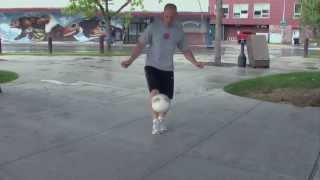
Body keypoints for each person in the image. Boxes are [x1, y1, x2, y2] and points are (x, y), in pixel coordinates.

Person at [121, 3, 205, 135]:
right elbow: (140, 44)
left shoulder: (178, 31)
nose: (169, 19)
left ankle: (161, 119)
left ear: (176, 16)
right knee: (154, 93)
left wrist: (195, 62)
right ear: (163, 14)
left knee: (166, 99)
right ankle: (155, 123)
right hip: (152, 65)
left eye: (172, 17)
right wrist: (130, 60)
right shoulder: (153, 27)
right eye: (166, 16)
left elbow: (185, 50)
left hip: (167, 69)